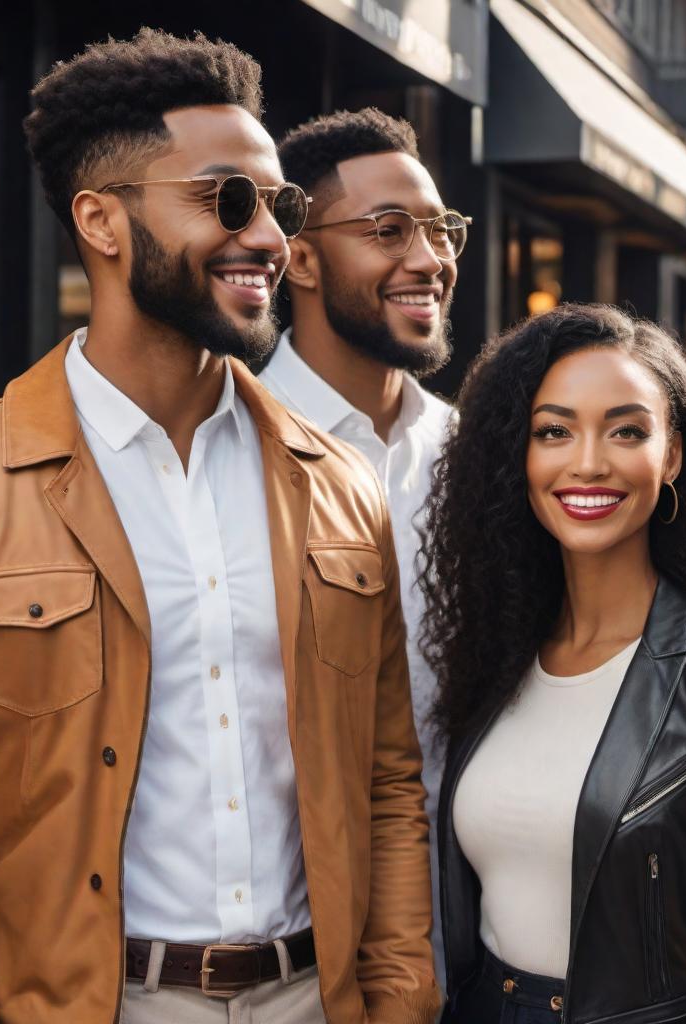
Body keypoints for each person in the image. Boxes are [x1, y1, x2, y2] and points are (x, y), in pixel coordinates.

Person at [0, 30, 439, 1024]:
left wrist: (400, 996)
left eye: (279, 205)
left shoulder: (340, 483)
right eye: (228, 200)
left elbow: (387, 785)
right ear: (102, 221)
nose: (269, 237)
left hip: (314, 999)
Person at [421, 303, 686, 1023]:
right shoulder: (495, 656)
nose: (587, 460)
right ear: (519, 453)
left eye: (626, 431)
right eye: (554, 431)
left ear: (671, 455)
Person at [257, 107, 464, 978]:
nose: (430, 260)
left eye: (440, 230)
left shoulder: (476, 454)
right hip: (295, 952)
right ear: (299, 256)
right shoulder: (233, 441)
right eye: (388, 231)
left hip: (466, 935)